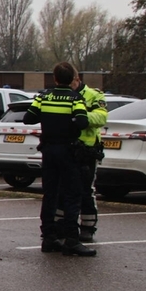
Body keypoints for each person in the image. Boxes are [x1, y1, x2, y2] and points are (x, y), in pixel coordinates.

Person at [23, 62, 95, 256]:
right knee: (72, 194)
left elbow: (28, 118)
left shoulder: (43, 97)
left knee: (50, 194)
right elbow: (82, 122)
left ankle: (48, 238)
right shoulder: (75, 99)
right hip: (68, 151)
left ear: (54, 79)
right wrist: (69, 122)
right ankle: (71, 240)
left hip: (48, 151)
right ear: (72, 79)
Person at [57, 75, 108, 243]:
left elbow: (101, 117)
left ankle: (87, 227)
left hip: (86, 150)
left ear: (76, 79)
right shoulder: (62, 94)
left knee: (85, 190)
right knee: (61, 190)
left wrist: (80, 117)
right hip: (65, 148)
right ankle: (60, 227)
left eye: (70, 81)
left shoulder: (94, 95)